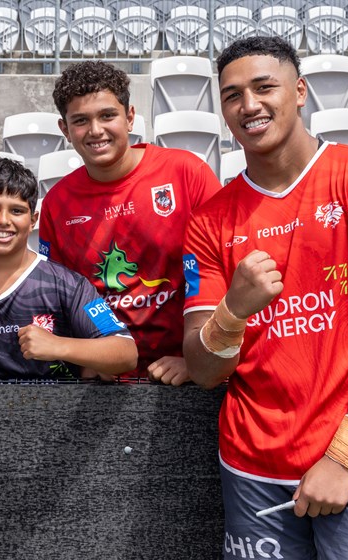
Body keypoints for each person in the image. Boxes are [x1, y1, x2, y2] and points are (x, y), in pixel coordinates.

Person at [181, 37, 348, 558]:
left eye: (264, 87)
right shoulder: (209, 220)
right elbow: (203, 370)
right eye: (232, 95)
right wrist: (233, 311)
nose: (249, 105)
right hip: (252, 467)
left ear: (299, 91)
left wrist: (341, 458)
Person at [38, 60, 221, 383]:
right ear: (65, 129)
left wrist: (198, 360)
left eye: (107, 116)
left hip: (185, 376)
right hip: (105, 383)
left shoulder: (186, 173)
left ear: (130, 117)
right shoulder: (57, 203)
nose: (96, 130)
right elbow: (57, 298)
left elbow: (224, 269)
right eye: (81, 120)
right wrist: (85, 361)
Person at [0, 156, 137, 380]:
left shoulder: (67, 284)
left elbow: (126, 352)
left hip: (59, 404)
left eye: (17, 211)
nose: (3, 220)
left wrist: (59, 346)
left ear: (33, 220)